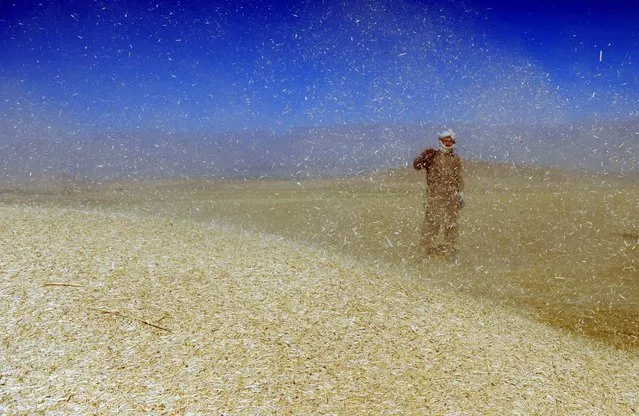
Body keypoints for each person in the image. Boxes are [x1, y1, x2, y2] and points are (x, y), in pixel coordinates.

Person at [413, 128, 464, 258]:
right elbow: (416, 165)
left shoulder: (456, 159)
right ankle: (423, 254)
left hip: (452, 199)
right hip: (435, 198)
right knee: (431, 226)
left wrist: (461, 194)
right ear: (440, 141)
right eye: (445, 141)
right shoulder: (432, 156)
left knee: (451, 228)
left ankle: (450, 255)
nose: (448, 144)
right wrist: (423, 156)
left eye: (450, 141)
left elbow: (459, 178)